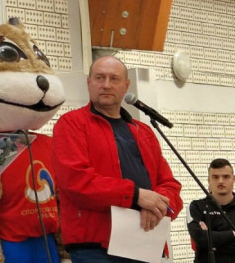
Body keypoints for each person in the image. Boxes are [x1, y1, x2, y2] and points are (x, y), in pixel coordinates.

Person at [51, 56, 183, 262]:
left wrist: (157, 206)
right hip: (96, 248)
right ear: (89, 82)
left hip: (146, 240)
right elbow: (75, 180)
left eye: (114, 79)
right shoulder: (72, 124)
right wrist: (136, 196)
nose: (106, 85)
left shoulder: (144, 132)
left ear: (126, 86)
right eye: (99, 78)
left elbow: (169, 184)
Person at [188, 158, 235, 262]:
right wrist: (232, 234)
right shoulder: (196, 206)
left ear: (233, 179)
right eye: (215, 177)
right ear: (209, 180)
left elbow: (206, 242)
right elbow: (200, 239)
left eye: (226, 176)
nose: (221, 181)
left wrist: (210, 242)